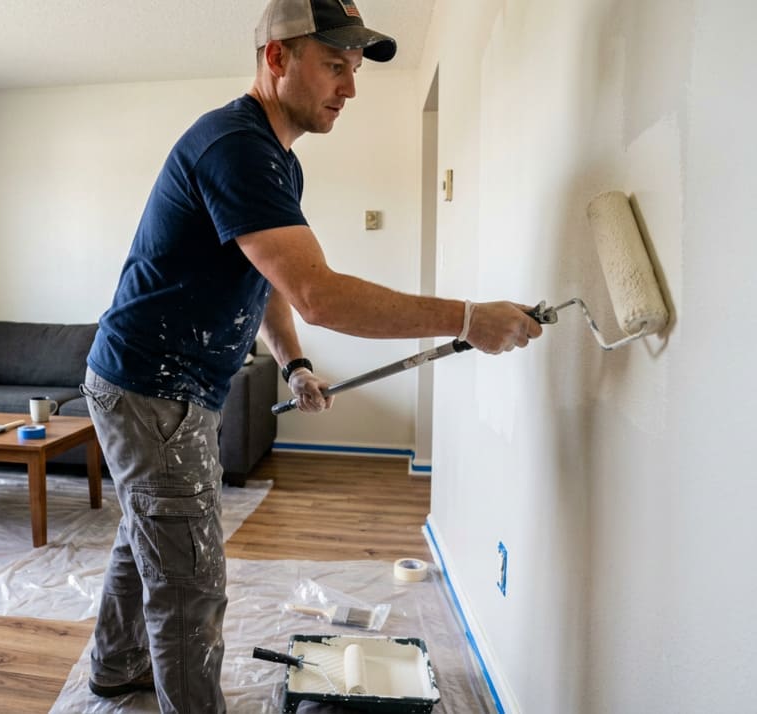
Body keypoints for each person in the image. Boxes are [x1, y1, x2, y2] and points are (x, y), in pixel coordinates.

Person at [81, 0, 543, 711]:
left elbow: (267, 278)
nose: (350, 87)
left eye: (353, 67)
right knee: (190, 581)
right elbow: (319, 293)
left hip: (159, 384)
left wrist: (293, 363)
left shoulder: (274, 159)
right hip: (153, 389)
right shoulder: (234, 146)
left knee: (151, 533)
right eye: (334, 65)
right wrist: (469, 318)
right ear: (276, 59)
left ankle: (114, 669)